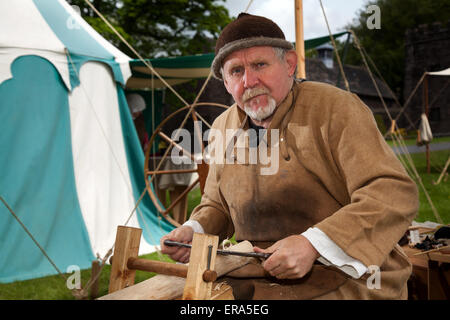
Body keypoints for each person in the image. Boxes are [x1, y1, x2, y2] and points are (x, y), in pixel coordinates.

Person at [160, 13, 419, 299]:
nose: (249, 81)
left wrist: (314, 244)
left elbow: (391, 192)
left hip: (347, 275)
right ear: (225, 82)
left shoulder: (336, 109)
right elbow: (217, 205)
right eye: (236, 71)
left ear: (289, 64)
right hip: (256, 275)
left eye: (260, 64)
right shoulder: (222, 126)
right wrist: (194, 229)